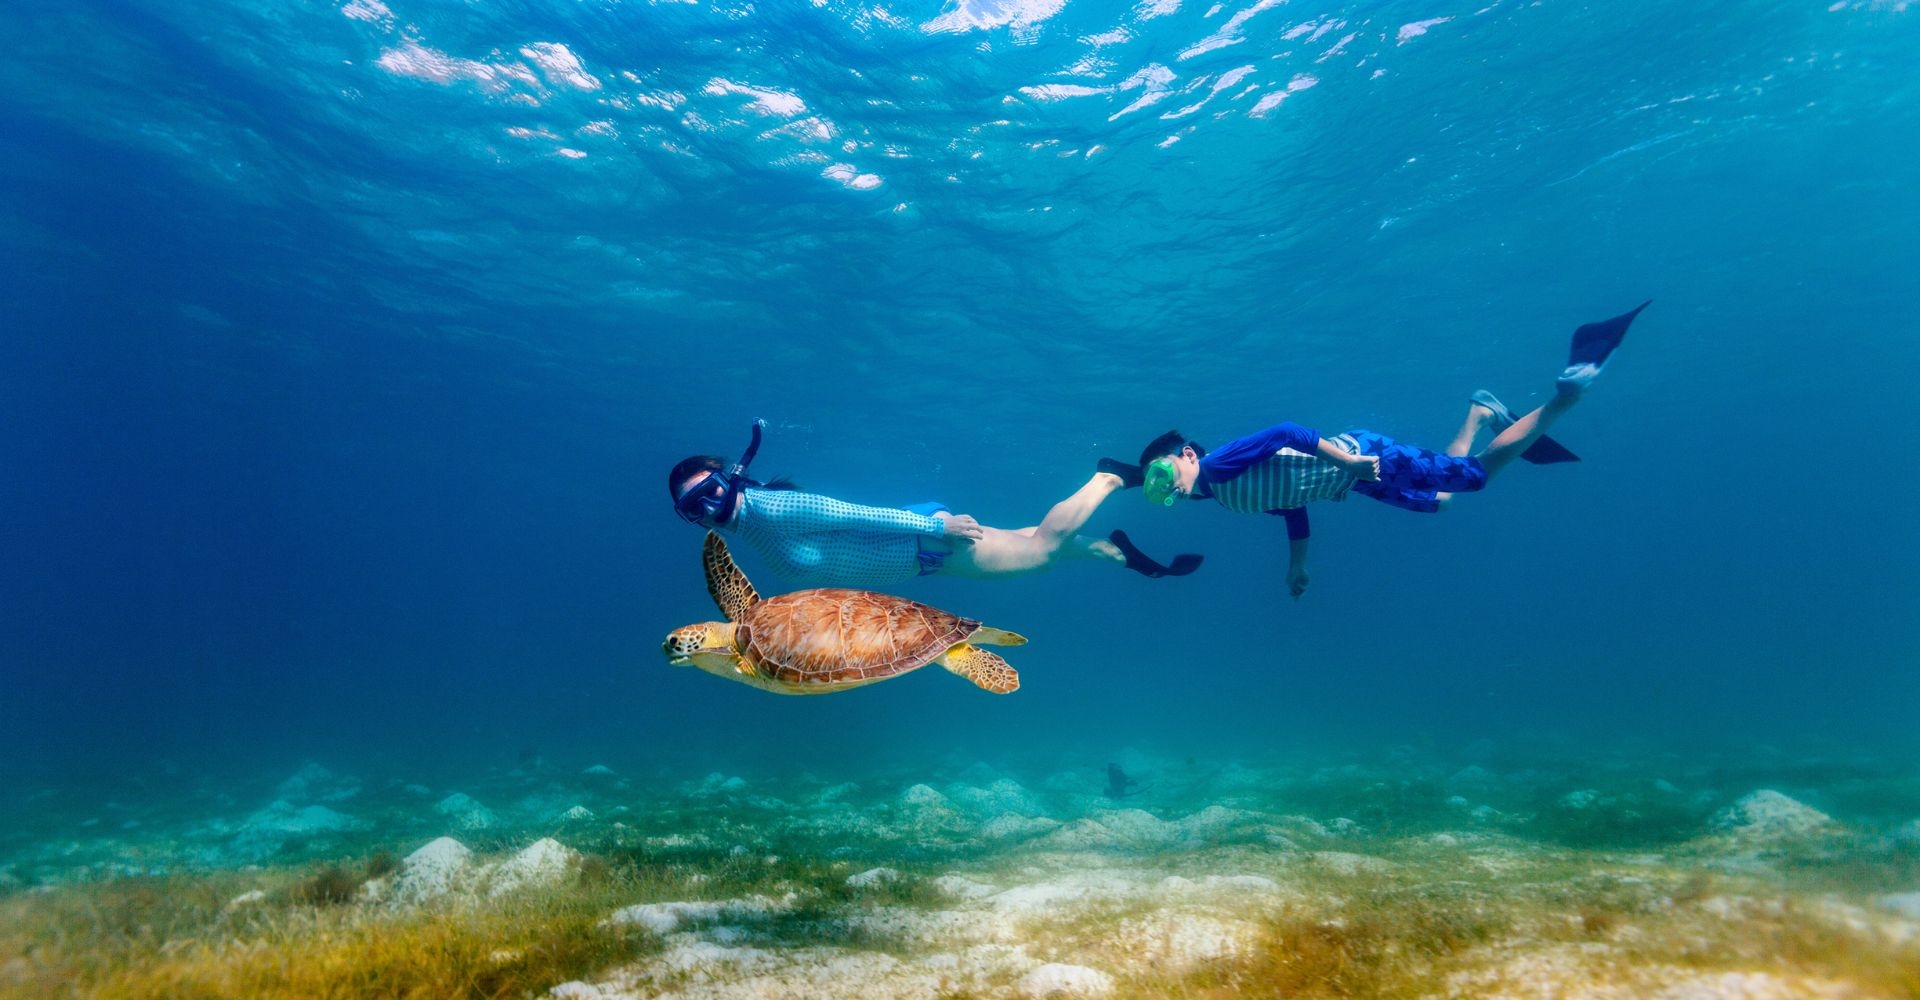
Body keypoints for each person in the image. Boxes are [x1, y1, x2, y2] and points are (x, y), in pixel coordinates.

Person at [1122, 302, 1647, 599]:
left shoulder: (1219, 464)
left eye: (1163, 469)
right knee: (1441, 502)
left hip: (1363, 457)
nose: (1162, 483)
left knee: (1476, 478)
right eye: (1153, 484)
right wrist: (1297, 566)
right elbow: (1291, 508)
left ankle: (1566, 394)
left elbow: (1286, 430)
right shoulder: (1224, 496)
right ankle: (1479, 411)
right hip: (1358, 480)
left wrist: (1348, 461)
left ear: (1188, 455)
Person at [668, 422, 1200, 590]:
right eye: (695, 508)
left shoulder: (769, 510)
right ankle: (1120, 555)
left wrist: (935, 524)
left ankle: (1108, 479)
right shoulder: (755, 524)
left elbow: (854, 514)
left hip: (927, 541)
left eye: (710, 490)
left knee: (1040, 550)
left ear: (727, 477)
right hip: (918, 548)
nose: (710, 508)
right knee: (1028, 541)